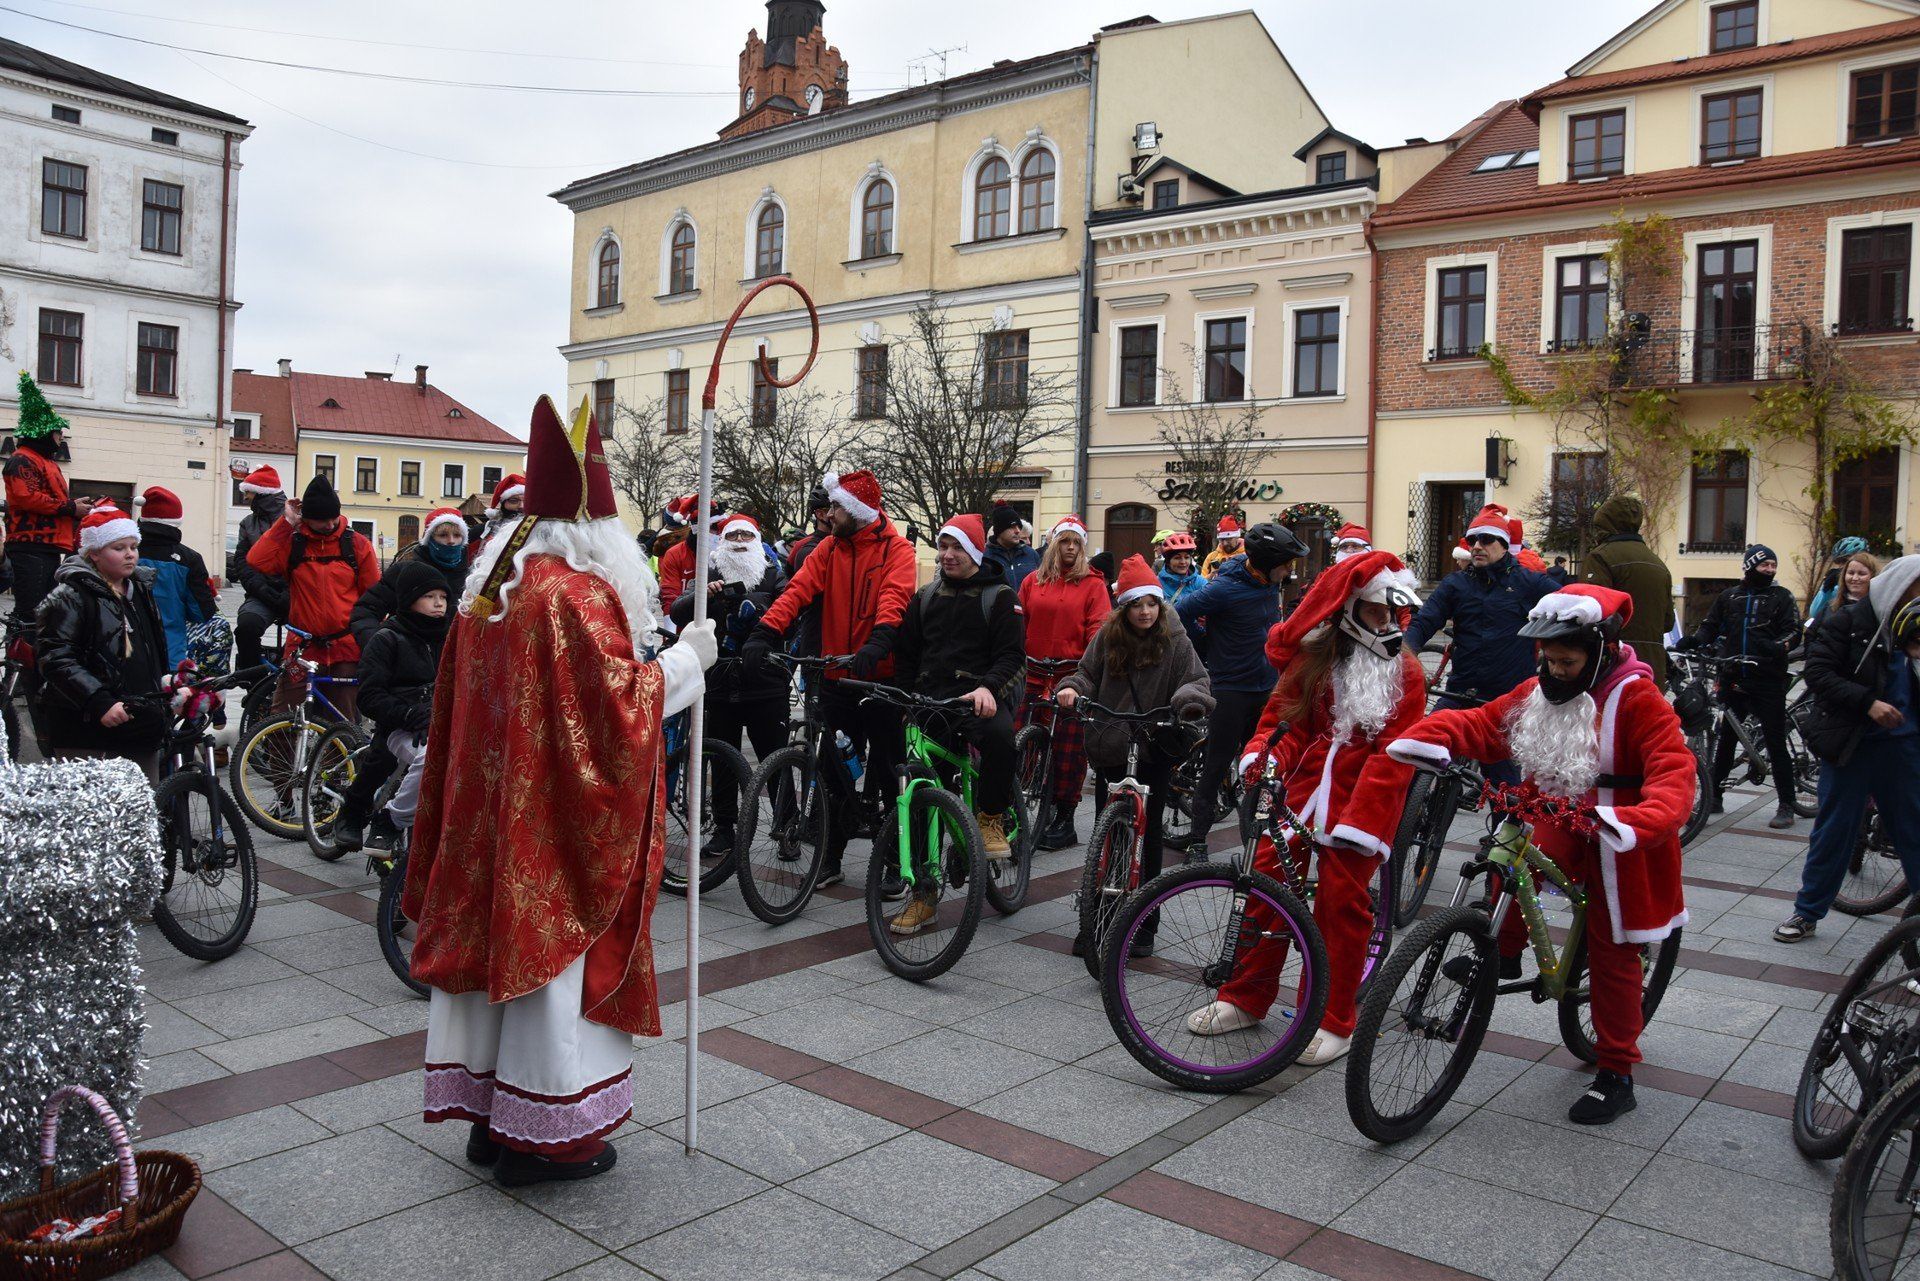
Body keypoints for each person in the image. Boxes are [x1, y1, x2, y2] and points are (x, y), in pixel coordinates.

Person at [403, 393, 716, 1188]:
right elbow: (617, 709)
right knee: (548, 974)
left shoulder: (491, 589)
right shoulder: (573, 595)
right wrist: (690, 661)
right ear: (598, 530)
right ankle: (540, 1138)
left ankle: (489, 1120)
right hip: (547, 828)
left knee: (488, 972)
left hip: (486, 825)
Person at [1350, 583, 1692, 1124]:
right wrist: (1431, 735)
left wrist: (1636, 819)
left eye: (1567, 660)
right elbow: (1486, 724)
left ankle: (1617, 1072)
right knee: (1507, 852)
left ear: (1599, 650)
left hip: (1617, 829)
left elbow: (1675, 773)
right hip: (1558, 811)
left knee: (1613, 951)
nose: (1554, 670)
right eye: (1548, 659)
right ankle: (1502, 951)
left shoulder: (1638, 699)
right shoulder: (1539, 689)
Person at [1185, 552, 1426, 1064]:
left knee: (1340, 902)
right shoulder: (1314, 658)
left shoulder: (1407, 673)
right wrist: (1261, 756)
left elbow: (1395, 754)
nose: (1389, 624)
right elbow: (1283, 720)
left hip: (1366, 797)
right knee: (1266, 883)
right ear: (1351, 612)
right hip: (1302, 788)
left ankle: (1333, 1016)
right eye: (1378, 613)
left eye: (1394, 614)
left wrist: (1361, 821)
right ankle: (1246, 996)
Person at [741, 470, 919, 886]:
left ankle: (895, 861)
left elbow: (895, 597)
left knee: (892, 773)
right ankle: (831, 857)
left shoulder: (898, 549)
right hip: (838, 672)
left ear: (856, 511)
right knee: (832, 771)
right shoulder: (829, 550)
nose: (828, 513)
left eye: (836, 506)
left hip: (881, 678)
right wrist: (764, 632)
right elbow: (797, 593)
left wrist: (879, 641)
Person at [874, 511, 1026, 932]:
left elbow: (1013, 656)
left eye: (957, 547)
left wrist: (988, 689)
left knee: (1001, 743)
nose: (948, 555)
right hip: (931, 705)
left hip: (979, 702)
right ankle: (924, 894)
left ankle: (992, 817)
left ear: (976, 550)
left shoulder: (1000, 597)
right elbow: (906, 654)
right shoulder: (925, 597)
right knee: (920, 791)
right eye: (943, 546)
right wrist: (906, 697)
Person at [1057, 555, 1213, 955]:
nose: (1145, 611)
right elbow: (1086, 673)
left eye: (1151, 603)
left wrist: (1188, 702)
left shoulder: (1175, 636)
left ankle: (1144, 924)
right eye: (1136, 604)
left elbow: (1195, 679)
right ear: (1123, 607)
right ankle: (1098, 918)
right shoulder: (1108, 636)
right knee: (1109, 836)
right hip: (1111, 741)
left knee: (1151, 836)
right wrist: (1073, 688)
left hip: (1154, 744)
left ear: (1160, 604)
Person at [1774, 555, 1920, 942]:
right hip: (1852, 746)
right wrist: (1867, 703)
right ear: (1900, 587)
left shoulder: (1914, 625)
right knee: (1835, 830)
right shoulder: (1850, 621)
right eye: (1916, 589)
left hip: (1904, 750)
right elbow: (1817, 672)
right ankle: (1807, 913)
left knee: (1914, 831)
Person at [1405, 504, 1557, 802]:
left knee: (1504, 786)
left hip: (1504, 699)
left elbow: (1568, 601)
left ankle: (1506, 841)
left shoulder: (1528, 582)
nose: (1476, 546)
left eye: (1486, 539)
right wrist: (1407, 653)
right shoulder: (1456, 584)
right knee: (1417, 752)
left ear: (1504, 546)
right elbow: (1425, 621)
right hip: (1461, 689)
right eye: (1472, 539)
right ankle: (1407, 824)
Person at [1172, 522, 1310, 850]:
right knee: (1217, 764)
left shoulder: (1266, 583)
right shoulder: (1224, 588)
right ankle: (1197, 842)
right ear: (1266, 562)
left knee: (1259, 765)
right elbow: (1180, 613)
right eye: (1286, 563)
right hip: (1231, 690)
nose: (1290, 569)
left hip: (1265, 687)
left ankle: (1255, 840)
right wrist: (1205, 645)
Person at [668, 513, 789, 855]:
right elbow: (678, 611)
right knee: (721, 761)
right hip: (719, 682)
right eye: (731, 535)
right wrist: (702, 597)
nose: (738, 542)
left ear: (756, 540)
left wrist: (762, 606)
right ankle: (724, 828)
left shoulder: (773, 573)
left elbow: (791, 611)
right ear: (721, 542)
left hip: (765, 682)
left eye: (745, 536)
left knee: (775, 757)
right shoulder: (708, 573)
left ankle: (787, 825)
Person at [33, 502, 169, 779]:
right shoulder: (69, 595)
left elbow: (150, 649)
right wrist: (98, 700)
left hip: (138, 719)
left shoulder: (140, 589)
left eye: (133, 546)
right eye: (119, 548)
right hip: (88, 727)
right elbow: (55, 656)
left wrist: (167, 684)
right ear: (94, 554)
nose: (130, 555)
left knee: (145, 805)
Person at [1675, 544, 1801, 829]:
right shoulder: (1730, 597)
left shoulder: (1781, 597)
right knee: (1727, 739)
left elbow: (1794, 632)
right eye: (1764, 565)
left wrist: (1775, 647)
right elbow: (1710, 626)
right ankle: (1715, 796)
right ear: (1748, 566)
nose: (1769, 570)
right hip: (1733, 677)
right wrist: (1694, 641)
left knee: (1775, 741)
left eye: (1772, 565)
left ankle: (1786, 804)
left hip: (1768, 678)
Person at [245, 474, 379, 723]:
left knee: (342, 722)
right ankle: (282, 763)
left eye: (333, 518)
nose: (329, 525)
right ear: (306, 518)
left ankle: (338, 763)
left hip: (346, 648)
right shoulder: (294, 543)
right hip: (302, 647)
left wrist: (368, 639)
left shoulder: (357, 545)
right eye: (320, 520)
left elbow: (373, 597)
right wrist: (286, 522)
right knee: (284, 719)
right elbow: (256, 560)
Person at [1018, 514, 1109, 850]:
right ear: (1053, 544)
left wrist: (1086, 675)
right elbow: (1020, 624)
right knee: (1021, 743)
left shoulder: (1093, 585)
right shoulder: (1032, 582)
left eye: (1076, 543)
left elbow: (1098, 631)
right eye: (1064, 541)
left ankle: (1063, 818)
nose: (1070, 548)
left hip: (1071, 677)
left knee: (1068, 752)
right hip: (1033, 672)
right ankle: (1019, 806)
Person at [350, 561, 449, 857]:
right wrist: (409, 714)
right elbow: (368, 697)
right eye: (429, 596)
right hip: (401, 729)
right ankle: (391, 819)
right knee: (430, 758)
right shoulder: (387, 637)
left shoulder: (449, 637)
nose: (438, 604)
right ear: (409, 599)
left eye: (443, 597)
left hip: (440, 724)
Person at [3, 372, 92, 627]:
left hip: (45, 545)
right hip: (31, 545)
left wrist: (75, 506)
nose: (60, 438)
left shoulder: (41, 459)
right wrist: (69, 508)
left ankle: (34, 660)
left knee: (44, 612)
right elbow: (26, 497)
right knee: (32, 614)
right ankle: (22, 661)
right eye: (57, 432)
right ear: (43, 433)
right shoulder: (23, 459)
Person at [1580, 495, 1676, 689]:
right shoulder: (1658, 563)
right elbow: (1668, 622)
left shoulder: (1601, 556)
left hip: (1614, 663)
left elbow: (1590, 612)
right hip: (1651, 665)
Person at [350, 507, 472, 651]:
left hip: (456, 662)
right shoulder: (404, 571)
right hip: (408, 662)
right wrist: (379, 645)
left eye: (457, 535)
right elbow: (366, 610)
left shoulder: (473, 576)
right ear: (430, 538)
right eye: (443, 535)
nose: (451, 541)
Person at [133, 487, 216, 670]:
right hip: (170, 653)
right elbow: (202, 613)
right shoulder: (189, 559)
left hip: (128, 651)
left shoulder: (124, 552)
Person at [232, 465, 291, 671]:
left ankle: (286, 670)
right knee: (246, 627)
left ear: (260, 494)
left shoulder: (295, 521)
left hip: (295, 595)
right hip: (261, 594)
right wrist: (261, 589)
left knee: (307, 633)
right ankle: (254, 678)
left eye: (248, 492)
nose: (246, 497)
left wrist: (288, 592)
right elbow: (242, 561)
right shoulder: (248, 524)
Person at [656, 496, 724, 613]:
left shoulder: (733, 551)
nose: (719, 533)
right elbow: (670, 599)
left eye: (723, 527)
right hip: (687, 625)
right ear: (697, 529)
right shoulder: (675, 554)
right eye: (714, 527)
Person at [1809, 536, 1871, 623]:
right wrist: (1825, 591)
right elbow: (1814, 613)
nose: (1843, 567)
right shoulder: (1834, 582)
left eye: (1846, 561)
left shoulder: (1873, 586)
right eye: (1840, 562)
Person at [984, 504, 1040, 593]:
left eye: (1019, 526)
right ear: (1000, 530)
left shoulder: (1031, 554)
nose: (1018, 530)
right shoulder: (984, 557)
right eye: (1012, 526)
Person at [1156, 533, 1204, 608]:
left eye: (1187, 557)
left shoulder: (1200, 582)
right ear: (1168, 561)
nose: (1183, 562)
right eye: (1177, 558)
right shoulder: (1157, 584)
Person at [479, 472, 526, 546]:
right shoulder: (484, 529)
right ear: (503, 504)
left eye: (527, 501)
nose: (522, 506)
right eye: (514, 501)